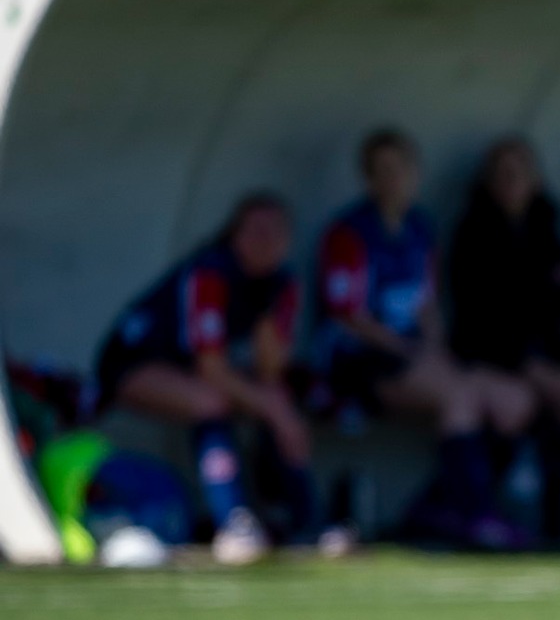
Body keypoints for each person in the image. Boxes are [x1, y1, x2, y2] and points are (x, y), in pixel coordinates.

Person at [319, 128, 536, 547]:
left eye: (400, 169)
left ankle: (440, 505)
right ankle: (475, 513)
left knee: (514, 400)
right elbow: (349, 314)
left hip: (413, 354)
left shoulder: (420, 228)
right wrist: (410, 350)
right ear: (368, 179)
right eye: (382, 171)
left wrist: (435, 349)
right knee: (459, 397)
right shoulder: (350, 233)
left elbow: (427, 305)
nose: (392, 180)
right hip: (361, 359)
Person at [94, 192, 315, 563]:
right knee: (213, 402)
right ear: (235, 234)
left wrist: (264, 313)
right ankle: (233, 524)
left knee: (275, 397)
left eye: (276, 232)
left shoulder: (280, 283)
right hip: (134, 363)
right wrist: (276, 412)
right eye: (256, 230)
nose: (266, 240)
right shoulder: (211, 271)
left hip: (193, 371)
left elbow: (271, 370)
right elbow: (209, 367)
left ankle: (305, 522)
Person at [448, 137, 560, 439]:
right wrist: (542, 294)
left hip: (551, 347)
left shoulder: (545, 226)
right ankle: (557, 481)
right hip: (498, 354)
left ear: (535, 180)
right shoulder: (472, 233)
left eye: (517, 173)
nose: (509, 182)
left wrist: (536, 297)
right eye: (500, 174)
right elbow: (485, 310)